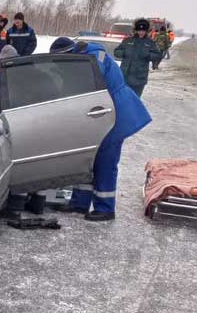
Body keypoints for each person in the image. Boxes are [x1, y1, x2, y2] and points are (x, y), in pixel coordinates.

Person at [50, 37, 151, 221]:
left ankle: (105, 208)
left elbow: (92, 78)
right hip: (97, 114)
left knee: (105, 160)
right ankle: (80, 203)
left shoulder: (95, 55)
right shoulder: (80, 59)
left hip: (114, 113)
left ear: (69, 53)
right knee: (88, 158)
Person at [114, 18, 161, 97]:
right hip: (125, 76)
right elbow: (116, 52)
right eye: (139, 30)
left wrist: (148, 55)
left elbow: (158, 55)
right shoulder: (128, 40)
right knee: (123, 98)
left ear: (146, 31)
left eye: (143, 31)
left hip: (139, 79)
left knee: (135, 100)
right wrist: (124, 53)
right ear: (136, 30)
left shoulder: (150, 43)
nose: (141, 32)